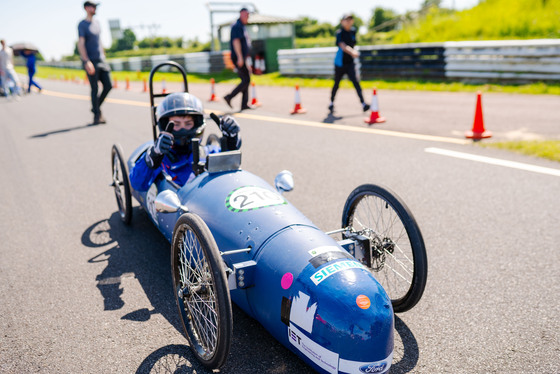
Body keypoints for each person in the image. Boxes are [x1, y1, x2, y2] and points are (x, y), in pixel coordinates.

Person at [130, 92, 241, 192]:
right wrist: (154, 155)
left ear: (196, 124)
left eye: (188, 124)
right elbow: (137, 184)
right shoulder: (161, 160)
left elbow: (230, 172)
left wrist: (231, 140)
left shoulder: (208, 152)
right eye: (176, 124)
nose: (183, 129)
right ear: (165, 125)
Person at [77, 1, 112, 124]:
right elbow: (81, 43)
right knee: (94, 88)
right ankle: (97, 115)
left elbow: (99, 41)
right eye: (93, 6)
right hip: (91, 61)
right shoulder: (82, 24)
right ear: (87, 8)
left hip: (101, 60)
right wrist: (86, 61)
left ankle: (95, 107)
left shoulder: (97, 23)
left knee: (108, 85)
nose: (95, 8)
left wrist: (103, 55)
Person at [328, 14, 370, 114]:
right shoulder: (339, 33)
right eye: (346, 20)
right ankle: (331, 103)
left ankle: (363, 103)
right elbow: (342, 45)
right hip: (340, 64)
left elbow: (353, 43)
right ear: (342, 22)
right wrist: (352, 52)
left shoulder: (353, 32)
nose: (348, 22)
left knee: (356, 82)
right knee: (337, 83)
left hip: (350, 63)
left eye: (350, 20)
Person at [223, 7, 253, 111]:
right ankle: (229, 96)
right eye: (246, 15)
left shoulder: (242, 26)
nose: (247, 17)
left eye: (248, 15)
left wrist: (245, 60)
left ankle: (244, 104)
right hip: (238, 57)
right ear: (241, 14)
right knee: (246, 79)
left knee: (246, 79)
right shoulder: (237, 26)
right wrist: (240, 57)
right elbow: (236, 42)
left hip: (242, 57)